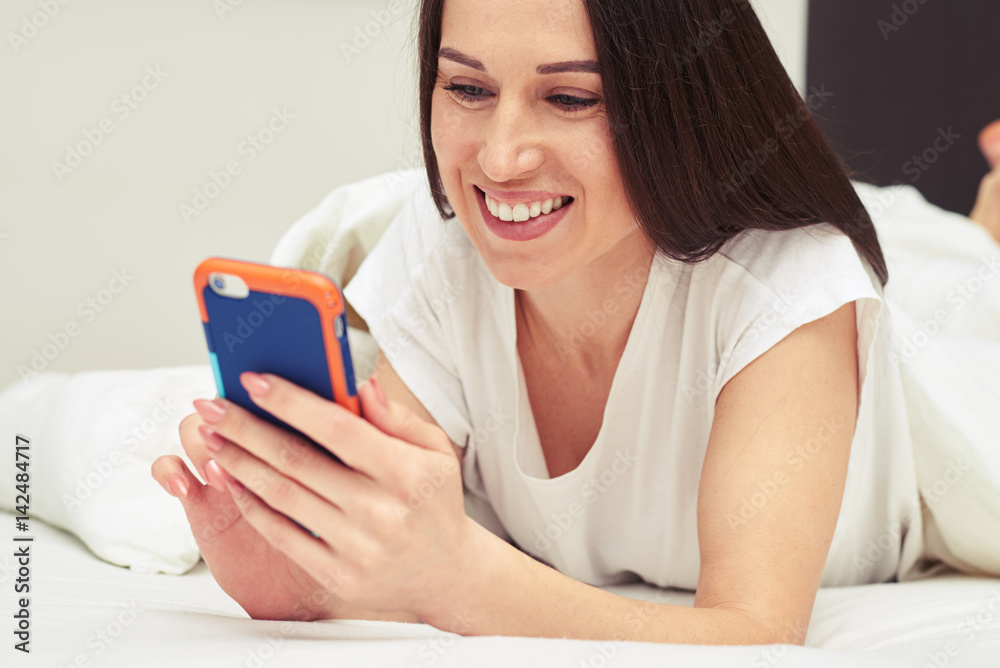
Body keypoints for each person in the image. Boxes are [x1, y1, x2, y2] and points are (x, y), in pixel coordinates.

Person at [151, 0, 1000, 645]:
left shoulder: (786, 283)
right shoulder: (442, 245)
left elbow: (752, 635)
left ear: (682, 104)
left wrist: (461, 580)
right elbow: (400, 535)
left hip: (938, 395)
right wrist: (302, 579)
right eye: (468, 87)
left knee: (963, 273)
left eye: (569, 97)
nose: (500, 156)